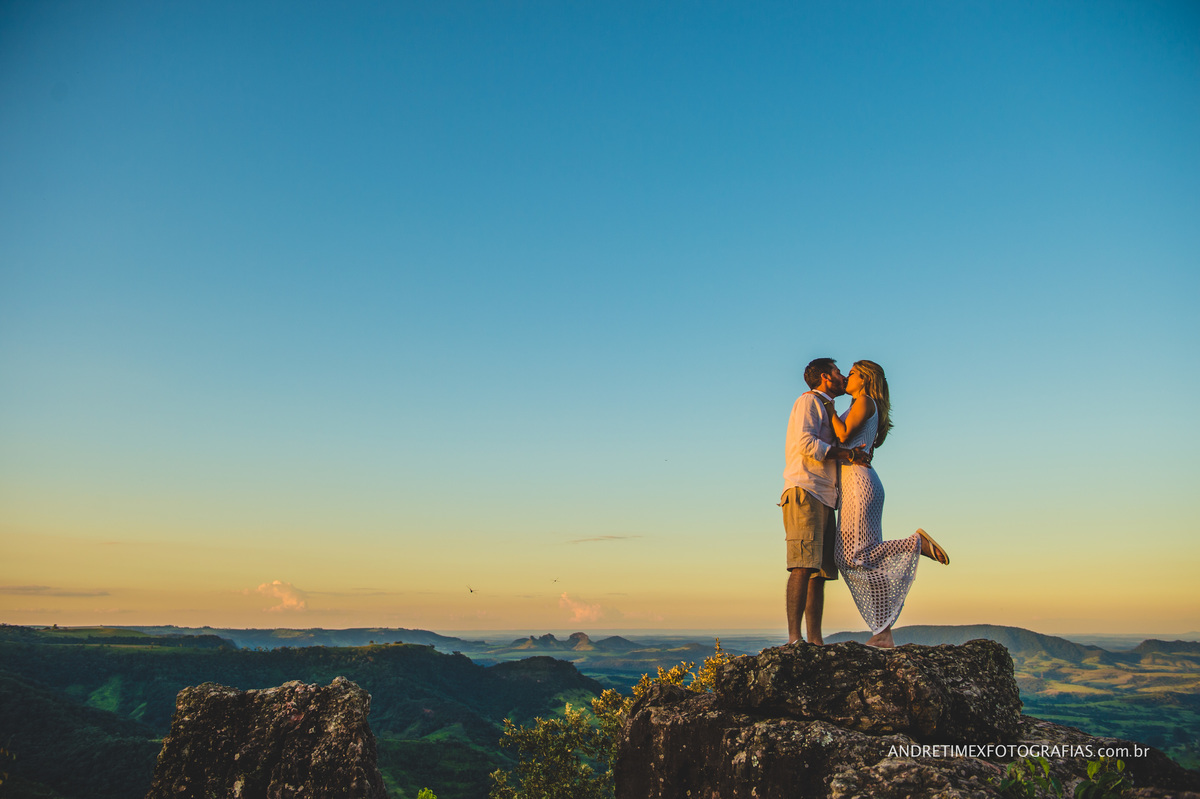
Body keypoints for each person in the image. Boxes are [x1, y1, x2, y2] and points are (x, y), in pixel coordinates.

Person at [829, 360, 950, 648]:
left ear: (865, 379)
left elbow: (843, 435)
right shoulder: (865, 404)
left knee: (853, 556)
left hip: (859, 485)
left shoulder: (865, 401)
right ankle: (883, 633)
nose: (847, 376)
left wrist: (828, 408)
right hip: (858, 483)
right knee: (867, 560)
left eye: (853, 373)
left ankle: (915, 544)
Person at [781, 357, 872, 646]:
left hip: (823, 493)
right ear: (824, 377)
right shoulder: (808, 402)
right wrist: (847, 455)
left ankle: (815, 641)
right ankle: (795, 639)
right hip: (805, 488)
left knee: (818, 572)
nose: (843, 376)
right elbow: (806, 444)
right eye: (837, 371)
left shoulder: (827, 407)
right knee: (802, 565)